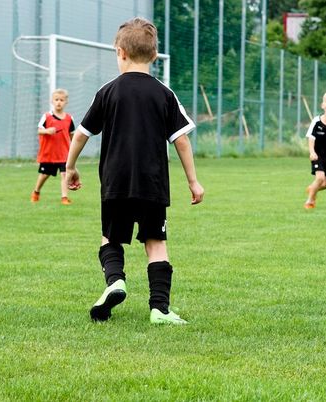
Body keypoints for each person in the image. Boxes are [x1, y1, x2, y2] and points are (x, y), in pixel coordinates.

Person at [66, 17, 204, 324]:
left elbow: (81, 134)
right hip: (153, 184)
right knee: (156, 243)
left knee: (110, 238)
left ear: (120, 52)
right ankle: (160, 309)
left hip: (115, 182)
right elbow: (181, 140)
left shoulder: (108, 91)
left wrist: (70, 167)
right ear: (154, 56)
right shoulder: (164, 94)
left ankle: (115, 280)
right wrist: (193, 182)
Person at [31, 88, 76, 205]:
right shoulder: (47, 116)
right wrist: (47, 131)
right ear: (52, 101)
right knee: (45, 175)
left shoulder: (69, 118)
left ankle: (64, 197)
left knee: (65, 174)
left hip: (64, 153)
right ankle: (36, 191)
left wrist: (74, 148)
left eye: (62, 100)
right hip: (49, 154)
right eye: (56, 99)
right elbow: (39, 130)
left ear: (66, 102)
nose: (59, 102)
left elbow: (72, 135)